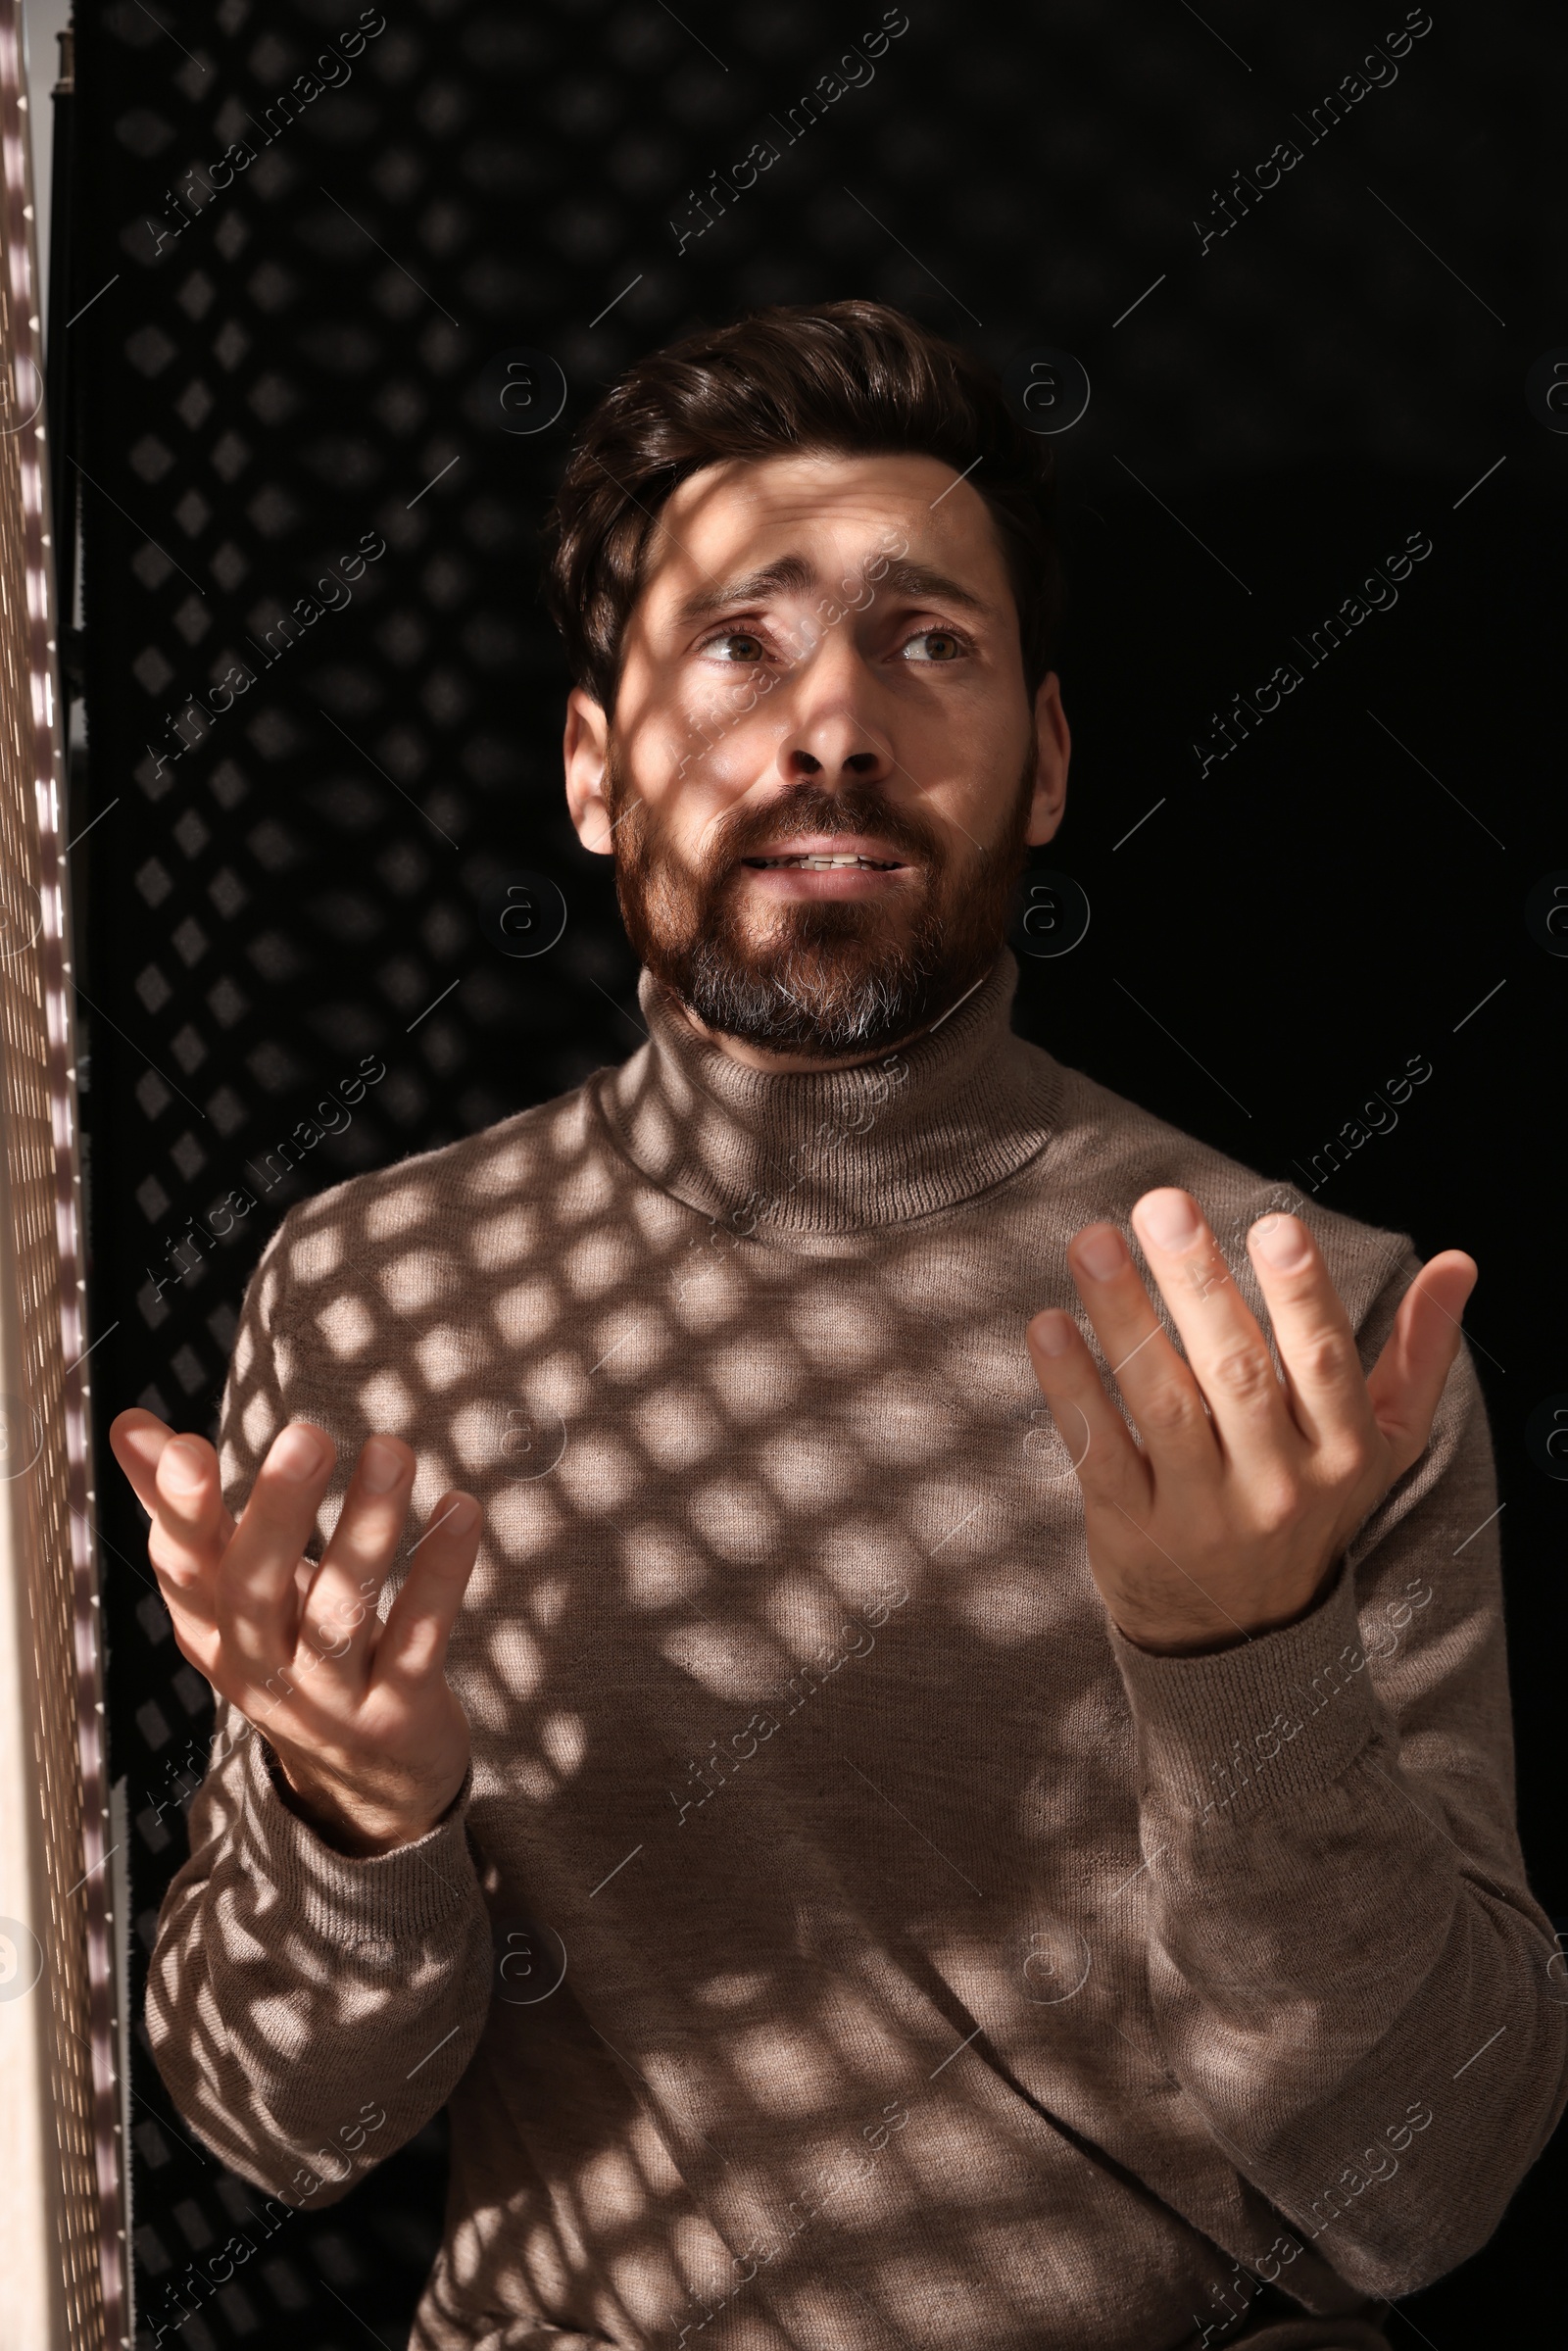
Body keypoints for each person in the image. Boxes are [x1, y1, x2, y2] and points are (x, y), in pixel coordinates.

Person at [110, 301, 1565, 2351]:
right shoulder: (379, 1303)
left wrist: (1242, 1663)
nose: (832, 728)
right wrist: (359, 1810)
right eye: (738, 644)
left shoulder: (1292, 1325)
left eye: (926, 640)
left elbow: (1422, 2192)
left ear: (1044, 762)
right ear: (595, 772)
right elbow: (272, 2127)